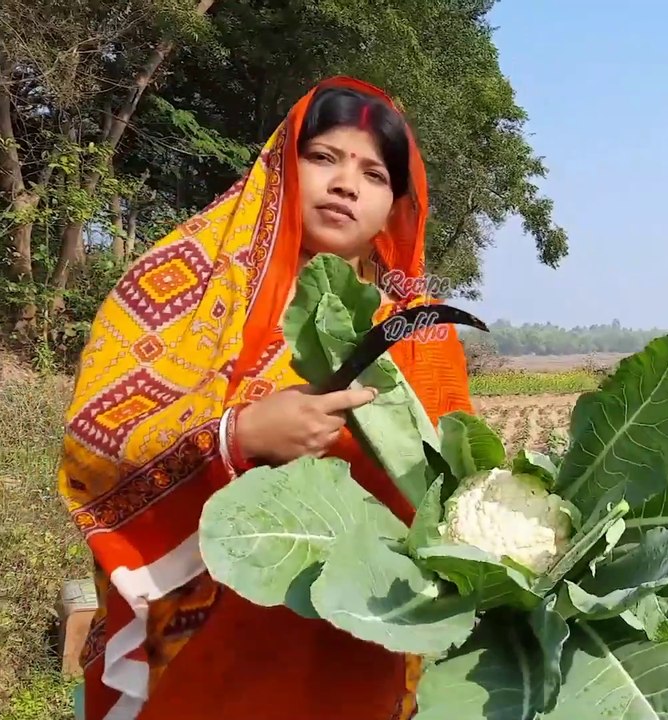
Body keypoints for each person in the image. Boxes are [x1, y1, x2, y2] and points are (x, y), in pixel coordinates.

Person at [56, 76, 474, 720]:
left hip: (356, 650)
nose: (346, 184)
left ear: (395, 207)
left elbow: (457, 492)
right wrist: (239, 435)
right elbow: (94, 441)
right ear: (282, 168)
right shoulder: (193, 280)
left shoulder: (422, 333)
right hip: (201, 646)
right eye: (324, 157)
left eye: (374, 173)